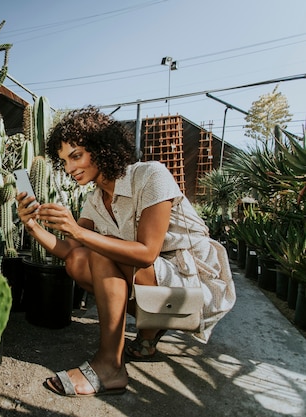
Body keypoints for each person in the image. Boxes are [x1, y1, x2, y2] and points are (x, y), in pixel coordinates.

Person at [15, 106, 236, 397]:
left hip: (193, 282)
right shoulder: (95, 199)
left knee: (100, 251)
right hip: (154, 281)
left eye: (76, 155)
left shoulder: (150, 175)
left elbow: (146, 253)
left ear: (101, 148)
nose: (69, 168)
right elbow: (70, 250)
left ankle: (110, 365)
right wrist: (32, 226)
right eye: (64, 161)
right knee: (79, 262)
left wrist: (79, 230)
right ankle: (149, 332)